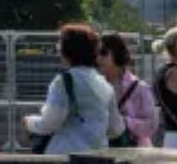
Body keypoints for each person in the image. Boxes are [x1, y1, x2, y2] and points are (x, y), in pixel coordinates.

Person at [24, 23, 125, 153]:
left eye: (59, 46)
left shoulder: (64, 82)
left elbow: (50, 123)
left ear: (67, 52)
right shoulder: (104, 84)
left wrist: (29, 122)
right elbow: (116, 129)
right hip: (98, 156)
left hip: (66, 154)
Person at [98, 32, 158, 147]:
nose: (98, 58)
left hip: (134, 151)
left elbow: (151, 126)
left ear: (116, 53)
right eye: (96, 54)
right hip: (102, 150)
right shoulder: (94, 86)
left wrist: (124, 122)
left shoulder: (139, 87)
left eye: (103, 53)